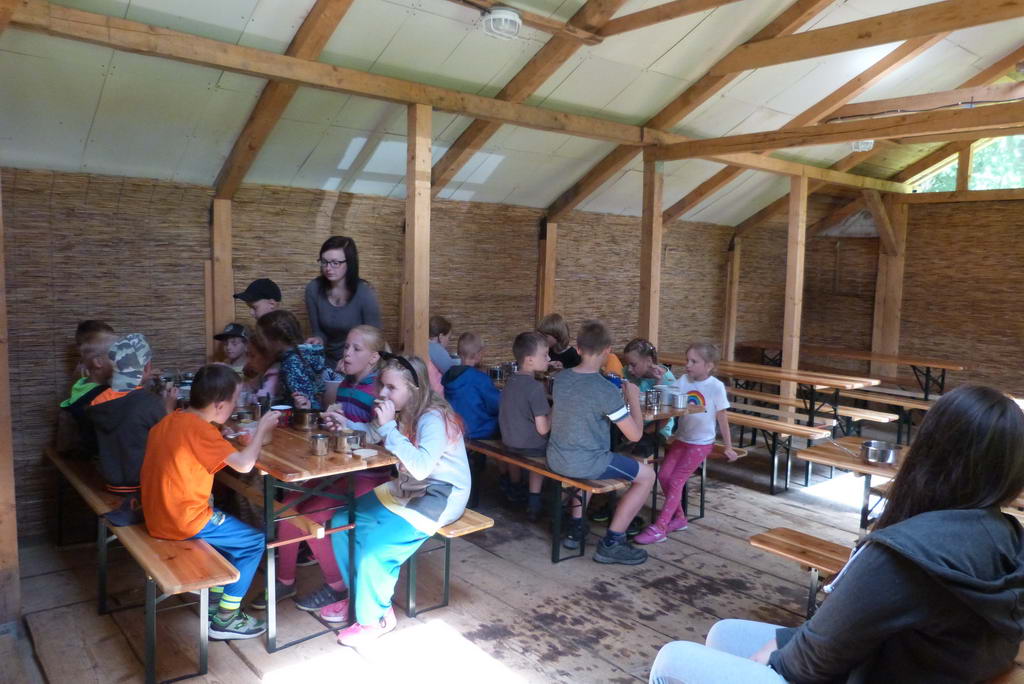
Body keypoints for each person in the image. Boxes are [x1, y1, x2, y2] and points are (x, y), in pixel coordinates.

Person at [649, 385, 1024, 684]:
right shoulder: (1006, 533)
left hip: (873, 672)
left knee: (672, 660)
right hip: (930, 667)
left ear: (930, 452)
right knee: (724, 633)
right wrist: (781, 648)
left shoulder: (902, 556)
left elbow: (809, 664)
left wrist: (775, 658)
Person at [319, 356, 469, 648]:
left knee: (375, 551)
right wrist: (346, 424)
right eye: (382, 386)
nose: (382, 394)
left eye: (391, 388)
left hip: (439, 494)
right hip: (408, 487)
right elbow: (373, 433)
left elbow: (422, 467)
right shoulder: (403, 411)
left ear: (414, 389)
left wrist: (388, 427)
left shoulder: (433, 418)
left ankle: (374, 619)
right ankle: (362, 599)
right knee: (341, 522)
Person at [252, 325, 392, 614]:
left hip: (370, 475)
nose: (347, 353)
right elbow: (341, 428)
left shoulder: (380, 392)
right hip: (340, 469)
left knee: (311, 516)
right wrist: (330, 420)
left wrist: (345, 426)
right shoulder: (346, 385)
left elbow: (382, 439)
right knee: (288, 506)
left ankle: (337, 585)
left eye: (356, 349)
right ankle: (285, 580)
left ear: (374, 357)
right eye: (346, 347)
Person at [141, 364, 279, 640]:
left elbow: (190, 446)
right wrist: (262, 429)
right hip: (182, 520)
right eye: (234, 401)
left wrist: (219, 435)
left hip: (157, 514)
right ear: (218, 406)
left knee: (230, 530)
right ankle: (226, 617)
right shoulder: (201, 431)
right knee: (253, 541)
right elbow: (244, 465)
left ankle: (216, 599)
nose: (234, 406)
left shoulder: (171, 420)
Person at [546, 319, 654, 564]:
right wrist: (633, 399)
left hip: (556, 458)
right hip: (585, 462)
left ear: (578, 348)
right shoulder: (605, 389)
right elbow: (635, 436)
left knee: (586, 466)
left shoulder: (560, 379)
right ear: (608, 351)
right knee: (647, 476)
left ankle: (575, 528)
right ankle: (613, 542)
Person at [636, 342, 736, 545]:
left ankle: (661, 527)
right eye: (687, 360)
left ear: (709, 365)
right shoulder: (684, 380)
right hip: (682, 439)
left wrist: (728, 446)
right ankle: (680, 518)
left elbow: (722, 417)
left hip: (701, 443)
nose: (688, 365)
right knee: (664, 476)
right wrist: (660, 378)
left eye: (694, 361)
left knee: (676, 480)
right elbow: (669, 396)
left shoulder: (715, 386)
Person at [87, 334, 175, 499]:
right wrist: (168, 407)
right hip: (143, 485)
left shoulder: (97, 402)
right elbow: (171, 440)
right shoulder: (150, 403)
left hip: (110, 482)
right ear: (147, 367)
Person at [305, 236, 381, 369]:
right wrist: (318, 340)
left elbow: (374, 340)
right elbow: (318, 332)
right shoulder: (313, 289)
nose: (328, 268)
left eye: (335, 263)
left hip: (359, 361)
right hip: (326, 360)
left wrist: (350, 362)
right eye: (324, 262)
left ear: (349, 263)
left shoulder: (365, 293)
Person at [498, 331, 550, 521]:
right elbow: (543, 429)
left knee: (515, 450)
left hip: (508, 442)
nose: (548, 359)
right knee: (544, 446)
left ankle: (515, 487)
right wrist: (554, 411)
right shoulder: (536, 388)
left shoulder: (509, 382)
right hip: (532, 447)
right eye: (545, 355)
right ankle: (534, 501)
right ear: (529, 360)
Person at [57, 329, 116, 460]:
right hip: (97, 457)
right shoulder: (102, 396)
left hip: (83, 450)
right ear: (98, 362)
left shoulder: (81, 385)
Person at [257, 310, 325, 410]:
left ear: (276, 340)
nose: (262, 344)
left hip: (302, 416)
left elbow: (303, 401)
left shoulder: (292, 363)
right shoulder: (305, 354)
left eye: (263, 339)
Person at [441, 332, 500, 440]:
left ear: (459, 353)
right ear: (478, 355)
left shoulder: (449, 376)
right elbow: (497, 405)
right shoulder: (480, 379)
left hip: (457, 429)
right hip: (478, 430)